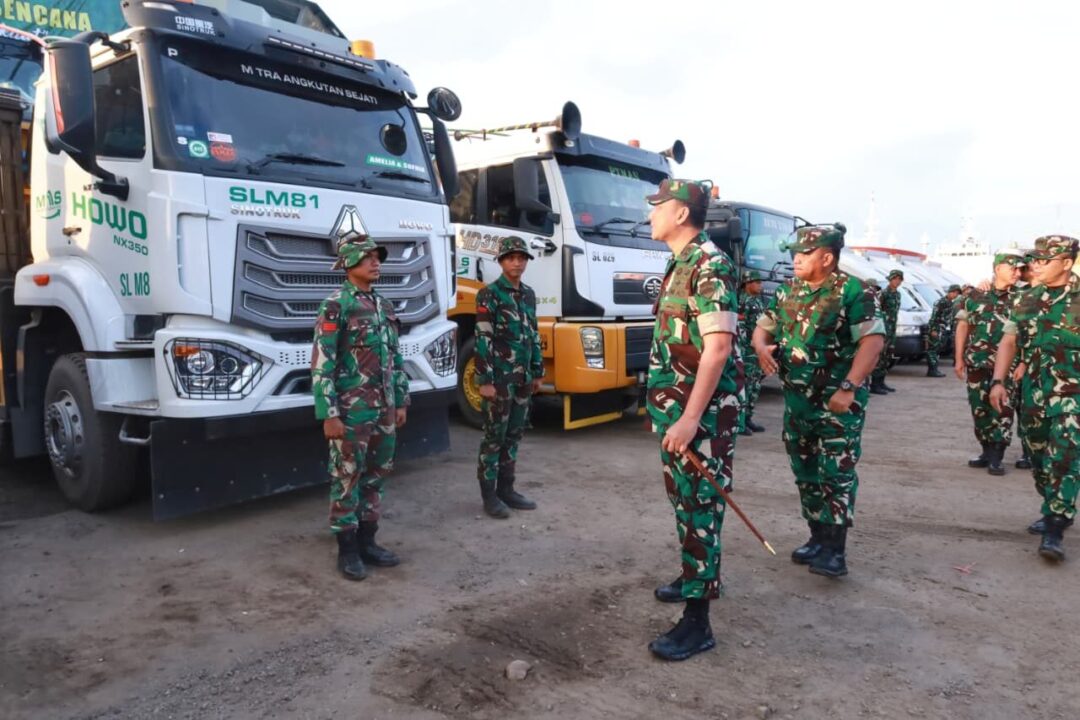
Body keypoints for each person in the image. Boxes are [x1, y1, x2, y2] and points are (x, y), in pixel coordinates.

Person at [644, 178, 743, 661]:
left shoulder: (710, 265)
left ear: (681, 214)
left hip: (698, 419)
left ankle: (697, 623)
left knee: (701, 510)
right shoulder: (680, 263)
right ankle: (690, 577)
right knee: (685, 504)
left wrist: (688, 419)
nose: (650, 215)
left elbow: (718, 348)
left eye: (657, 207)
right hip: (678, 412)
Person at [753, 223, 884, 578]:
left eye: (803, 254)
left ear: (827, 258)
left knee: (836, 473)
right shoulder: (788, 292)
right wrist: (761, 346)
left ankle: (834, 550)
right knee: (805, 472)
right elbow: (763, 326)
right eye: (794, 253)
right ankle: (816, 537)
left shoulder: (853, 292)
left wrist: (848, 386)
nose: (795, 260)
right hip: (798, 402)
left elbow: (872, 343)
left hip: (837, 403)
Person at [312, 237, 409, 581]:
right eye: (367, 258)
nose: (375, 263)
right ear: (349, 263)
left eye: (377, 257)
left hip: (384, 408)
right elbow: (323, 362)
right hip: (352, 411)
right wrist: (329, 413)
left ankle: (369, 542)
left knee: (377, 475)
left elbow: (396, 358)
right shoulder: (336, 306)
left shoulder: (384, 305)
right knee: (346, 477)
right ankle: (348, 550)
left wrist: (401, 399)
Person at [990, 235, 1080, 561]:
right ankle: (1051, 503)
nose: (1036, 265)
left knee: (1065, 457)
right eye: (1035, 259)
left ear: (1067, 263)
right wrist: (998, 381)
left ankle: (1056, 525)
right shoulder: (1026, 299)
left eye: (1045, 260)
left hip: (1073, 396)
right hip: (1034, 394)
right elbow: (1010, 342)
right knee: (1038, 455)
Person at [474, 235, 544, 519]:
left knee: (514, 434)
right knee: (494, 437)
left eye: (521, 257)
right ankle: (489, 496)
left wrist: (537, 371)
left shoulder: (528, 294)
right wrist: (485, 380)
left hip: (523, 379)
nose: (517, 262)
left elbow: (533, 334)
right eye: (511, 257)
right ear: (501, 261)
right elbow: (483, 338)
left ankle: (507, 489)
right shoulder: (489, 295)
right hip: (500, 380)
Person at [953, 251, 1023, 476]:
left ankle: (997, 455)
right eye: (1012, 268)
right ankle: (985, 450)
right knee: (979, 408)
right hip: (977, 361)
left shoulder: (1023, 298)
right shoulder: (975, 295)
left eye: (1019, 269)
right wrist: (958, 359)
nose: (1017, 273)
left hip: (1008, 366)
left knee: (1003, 409)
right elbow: (963, 327)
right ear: (997, 269)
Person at [738, 270, 768, 435]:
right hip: (748, 351)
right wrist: (744, 350)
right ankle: (740, 421)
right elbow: (741, 328)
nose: (760, 285)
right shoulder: (743, 302)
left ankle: (748, 417)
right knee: (745, 386)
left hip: (757, 351)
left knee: (755, 385)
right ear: (747, 283)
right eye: (756, 282)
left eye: (760, 282)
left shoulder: (758, 301)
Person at [870, 270, 903, 395]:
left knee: (887, 356)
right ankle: (875, 384)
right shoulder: (883, 294)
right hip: (883, 328)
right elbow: (877, 311)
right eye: (895, 279)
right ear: (890, 280)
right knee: (880, 356)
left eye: (899, 279)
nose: (897, 281)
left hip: (892, 328)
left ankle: (881, 381)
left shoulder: (898, 295)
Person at [926, 284, 961, 377]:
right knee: (932, 350)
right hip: (936, 328)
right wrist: (933, 329)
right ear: (949, 292)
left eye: (957, 293)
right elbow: (934, 316)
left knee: (937, 349)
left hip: (943, 329)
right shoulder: (940, 302)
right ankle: (932, 370)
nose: (955, 295)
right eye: (954, 292)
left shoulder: (950, 303)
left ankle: (934, 369)